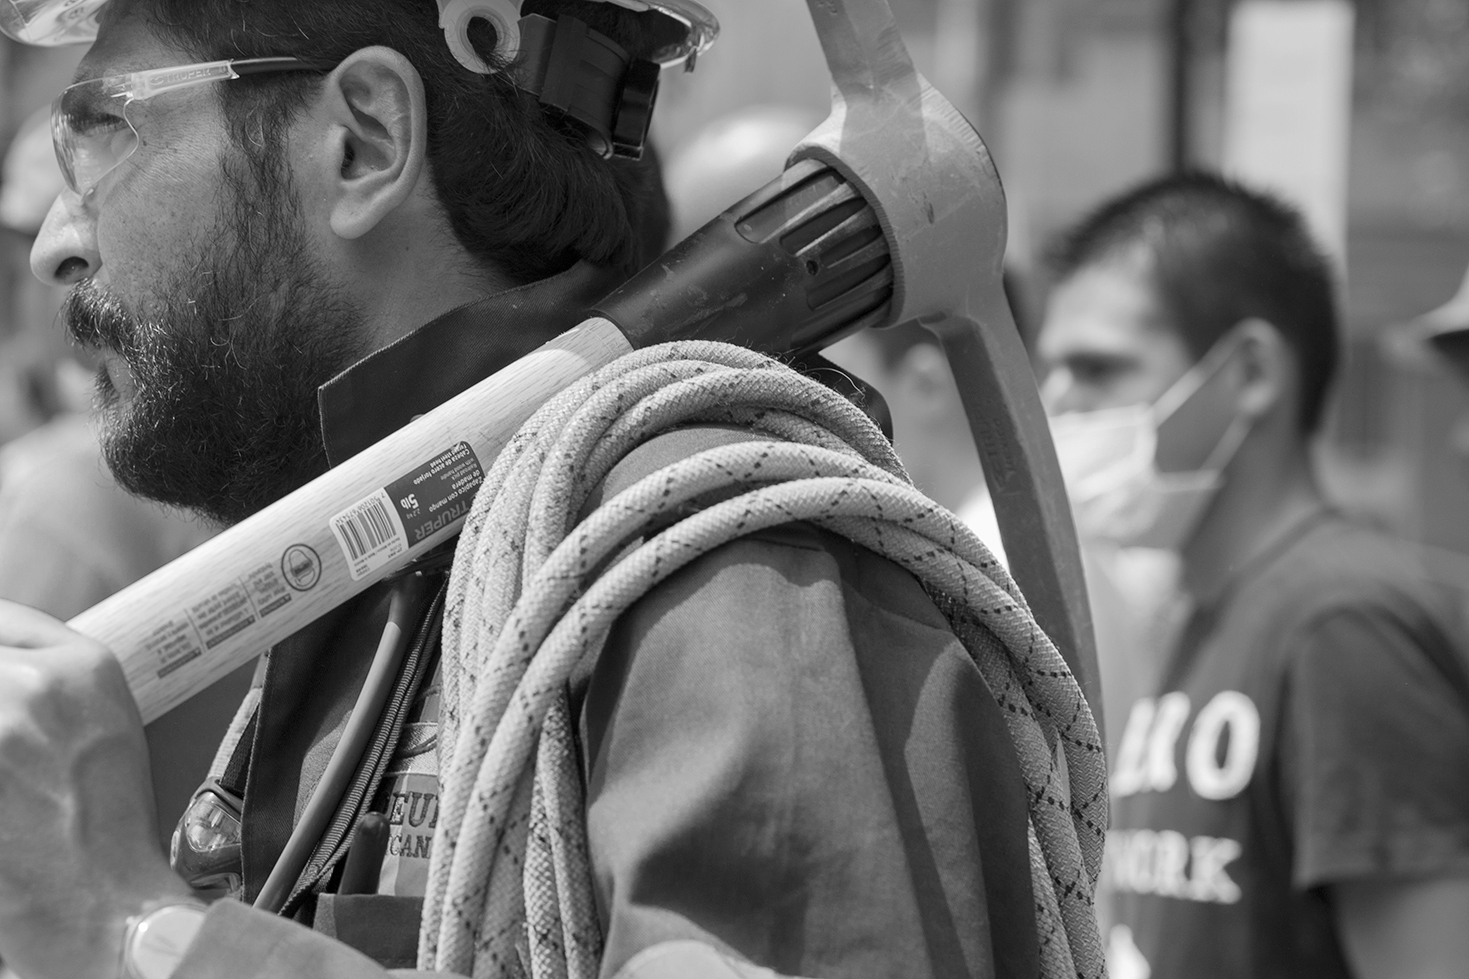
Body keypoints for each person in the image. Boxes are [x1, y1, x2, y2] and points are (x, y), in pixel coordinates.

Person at [0, 2, 1066, 978]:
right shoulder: (398, 574)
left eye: (102, 126)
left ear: (362, 140)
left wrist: (132, 930)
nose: (53, 245)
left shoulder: (716, 563)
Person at [1036, 171, 1469, 979]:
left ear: (1250, 375)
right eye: (1050, 372)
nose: (1056, 404)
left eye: (1098, 369)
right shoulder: (1198, 615)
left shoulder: (1342, 623)